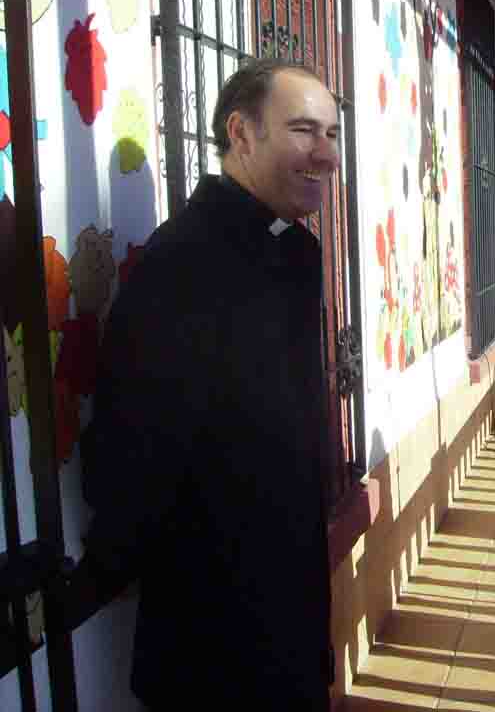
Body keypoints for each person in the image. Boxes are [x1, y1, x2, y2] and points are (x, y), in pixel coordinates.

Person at [70, 59, 340, 710]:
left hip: (291, 617)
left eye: (333, 134)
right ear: (241, 133)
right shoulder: (182, 263)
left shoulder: (296, 252)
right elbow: (134, 448)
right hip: (213, 635)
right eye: (305, 130)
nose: (326, 155)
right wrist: (105, 570)